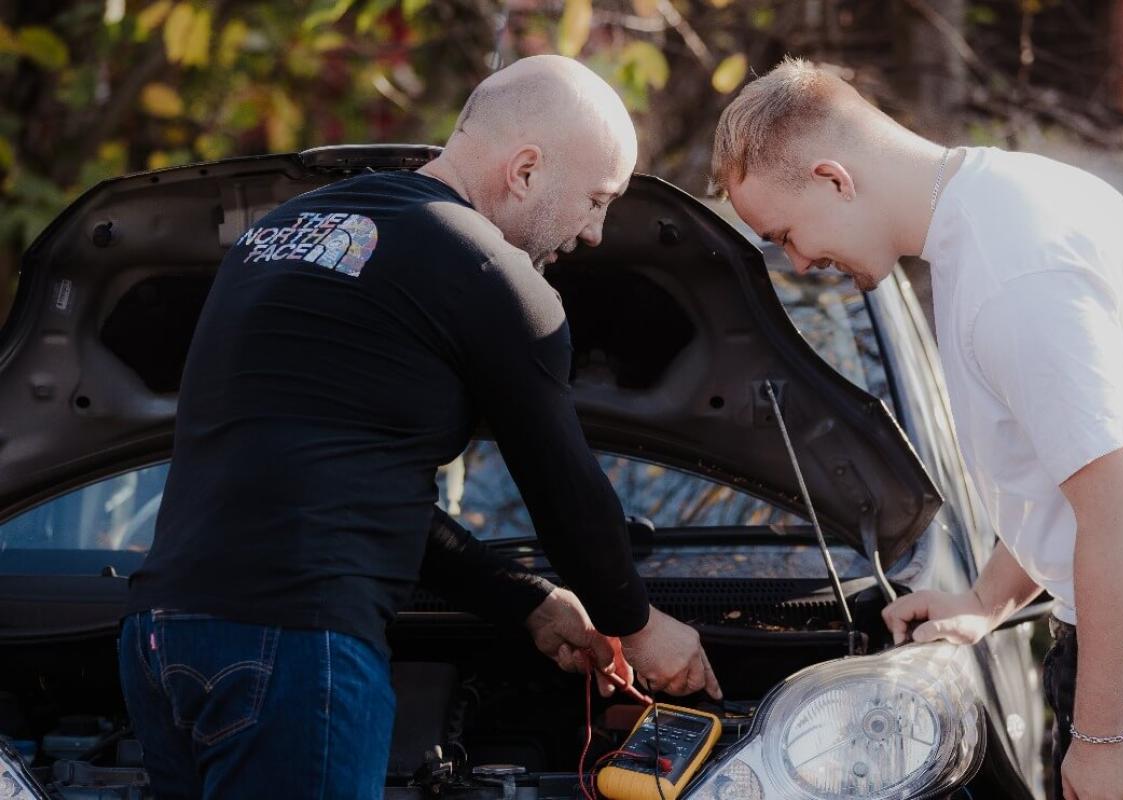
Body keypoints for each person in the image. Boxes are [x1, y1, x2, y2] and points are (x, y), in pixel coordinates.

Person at [119, 55, 720, 800]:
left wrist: (522, 598)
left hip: (157, 638)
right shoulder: (490, 272)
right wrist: (638, 625)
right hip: (296, 650)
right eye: (596, 199)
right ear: (527, 170)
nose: (595, 232)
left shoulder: (282, 233)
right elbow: (562, 488)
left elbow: (350, 487)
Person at [711, 57, 1123, 800]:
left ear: (833, 178)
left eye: (786, 235)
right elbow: (1062, 470)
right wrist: (986, 601)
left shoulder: (1014, 277)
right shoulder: (1011, 202)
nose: (801, 260)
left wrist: (1104, 736)